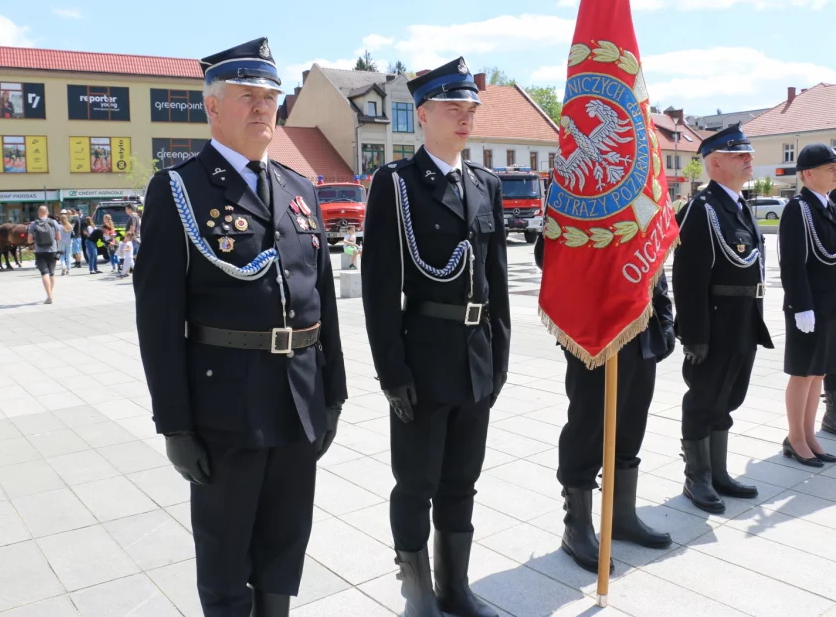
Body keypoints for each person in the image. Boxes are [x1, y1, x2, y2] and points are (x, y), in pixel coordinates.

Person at [134, 37, 347, 617]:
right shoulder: (179, 190)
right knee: (226, 553)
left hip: (299, 397)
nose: (262, 109)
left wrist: (335, 393)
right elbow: (157, 322)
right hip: (226, 407)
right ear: (212, 108)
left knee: (285, 542)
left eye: (270, 97)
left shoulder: (299, 189)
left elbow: (321, 298)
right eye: (247, 96)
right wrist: (174, 425)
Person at [361, 57, 510, 617]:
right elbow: (380, 288)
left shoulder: (485, 184)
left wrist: (499, 360)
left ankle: (455, 588)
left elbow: (494, 281)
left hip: (475, 359)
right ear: (423, 115)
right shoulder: (397, 185)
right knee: (416, 482)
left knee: (461, 481)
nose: (465, 115)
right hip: (422, 359)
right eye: (453, 106)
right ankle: (417, 592)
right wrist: (392, 372)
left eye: (470, 106)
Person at [533, 235, 674, 572]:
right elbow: (546, 253)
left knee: (631, 425)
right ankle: (576, 528)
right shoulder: (577, 186)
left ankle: (621, 517)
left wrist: (666, 315)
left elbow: (653, 253)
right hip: (595, 331)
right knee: (588, 427)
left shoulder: (641, 187)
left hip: (641, 328)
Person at [673, 124, 774, 514]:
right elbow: (688, 276)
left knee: (729, 397)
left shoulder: (737, 205)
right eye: (739, 155)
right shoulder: (702, 209)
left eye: (748, 153)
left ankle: (718, 471)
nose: (749, 159)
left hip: (743, 319)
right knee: (704, 398)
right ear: (715, 163)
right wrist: (694, 333)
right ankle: (696, 477)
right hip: (715, 324)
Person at [778, 143, 836, 466]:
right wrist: (801, 305)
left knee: (818, 374)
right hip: (808, 309)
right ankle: (795, 437)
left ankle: (810, 434)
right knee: (802, 374)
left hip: (828, 307)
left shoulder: (828, 206)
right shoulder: (798, 209)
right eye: (830, 168)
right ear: (808, 174)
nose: (835, 172)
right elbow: (792, 264)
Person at [28, 205, 62, 304]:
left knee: (44, 274)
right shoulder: (54, 222)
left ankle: (49, 296)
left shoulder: (34, 224)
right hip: (52, 251)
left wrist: (35, 240)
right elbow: (59, 238)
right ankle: (50, 294)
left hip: (40, 252)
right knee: (51, 273)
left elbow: (29, 240)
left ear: (39, 213)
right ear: (47, 213)